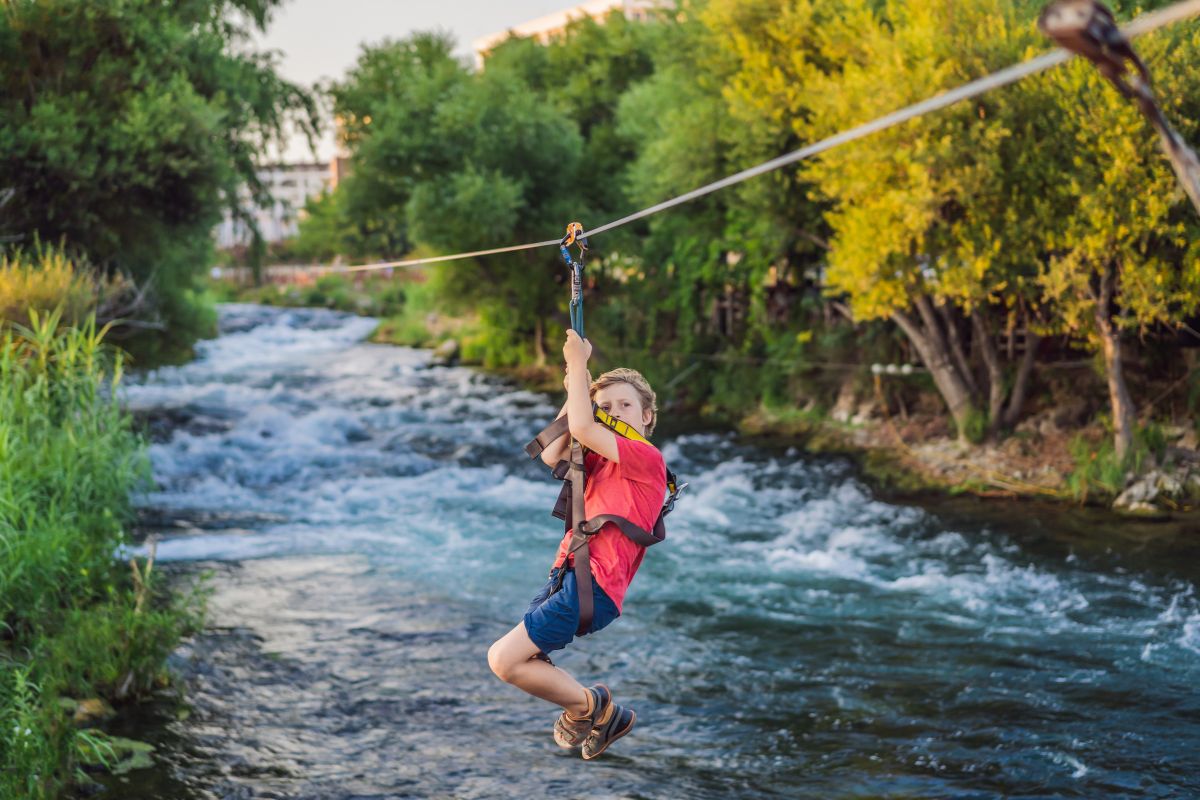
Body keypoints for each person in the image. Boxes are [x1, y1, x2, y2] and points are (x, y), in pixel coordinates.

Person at [487, 329, 668, 760]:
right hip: (570, 577)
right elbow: (553, 453)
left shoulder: (646, 458)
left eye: (626, 405)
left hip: (594, 585)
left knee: (504, 660)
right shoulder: (595, 458)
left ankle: (593, 709)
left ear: (646, 418)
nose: (614, 412)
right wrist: (579, 386)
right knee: (518, 663)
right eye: (605, 406)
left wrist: (577, 366)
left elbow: (585, 425)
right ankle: (594, 712)